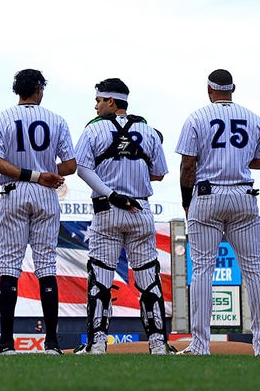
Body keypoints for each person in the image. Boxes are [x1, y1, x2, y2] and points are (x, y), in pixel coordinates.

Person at [176, 69, 260, 356]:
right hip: (243, 193)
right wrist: (238, 160)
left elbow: (188, 164)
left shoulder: (196, 117)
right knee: (253, 269)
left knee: (203, 269)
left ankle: (200, 345)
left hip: (208, 194)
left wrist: (185, 200)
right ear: (233, 88)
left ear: (209, 89)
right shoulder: (254, 118)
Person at [0, 69, 76, 356]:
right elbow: (70, 166)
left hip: (15, 190)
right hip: (46, 194)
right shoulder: (56, 119)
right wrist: (45, 174)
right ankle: (52, 344)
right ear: (39, 89)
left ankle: (6, 342)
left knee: (9, 265)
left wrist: (34, 175)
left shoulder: (0, 118)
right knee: (46, 265)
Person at [72, 78, 170, 355]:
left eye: (99, 100)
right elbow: (159, 172)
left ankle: (98, 343)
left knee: (100, 278)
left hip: (108, 211)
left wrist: (110, 191)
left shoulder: (93, 130)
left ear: (111, 101)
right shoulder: (148, 130)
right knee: (149, 279)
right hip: (140, 210)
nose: (96, 106)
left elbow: (81, 168)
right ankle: (158, 343)